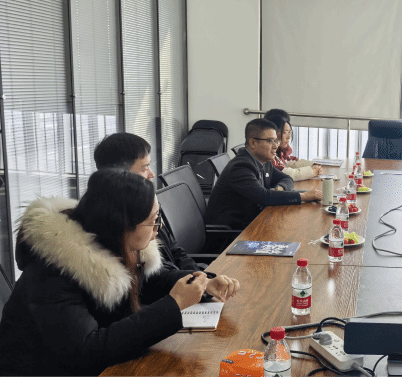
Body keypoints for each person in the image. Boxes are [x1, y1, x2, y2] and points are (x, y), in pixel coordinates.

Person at [0, 169, 238, 376]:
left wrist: (201, 283)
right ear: (122, 225)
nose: (158, 229)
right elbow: (88, 350)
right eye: (153, 221)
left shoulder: (107, 239)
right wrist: (174, 305)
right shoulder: (53, 271)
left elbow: (149, 279)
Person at [94, 133, 241, 285]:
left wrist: (201, 277)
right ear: (120, 175)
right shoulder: (112, 220)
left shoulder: (147, 203)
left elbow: (175, 250)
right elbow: (154, 279)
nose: (151, 174)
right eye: (145, 167)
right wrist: (198, 282)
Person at [206, 119, 322, 230]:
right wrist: (303, 196)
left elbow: (287, 179)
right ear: (253, 143)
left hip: (253, 221)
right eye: (270, 141)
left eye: (276, 140)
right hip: (232, 233)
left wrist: (278, 189)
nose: (276, 146)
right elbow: (264, 197)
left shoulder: (264, 161)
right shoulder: (241, 167)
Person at [267, 115, 322, 181]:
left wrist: (313, 165)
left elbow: (290, 163)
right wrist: (312, 171)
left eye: (289, 132)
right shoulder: (269, 155)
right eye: (284, 132)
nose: (288, 137)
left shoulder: (280, 151)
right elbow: (288, 174)